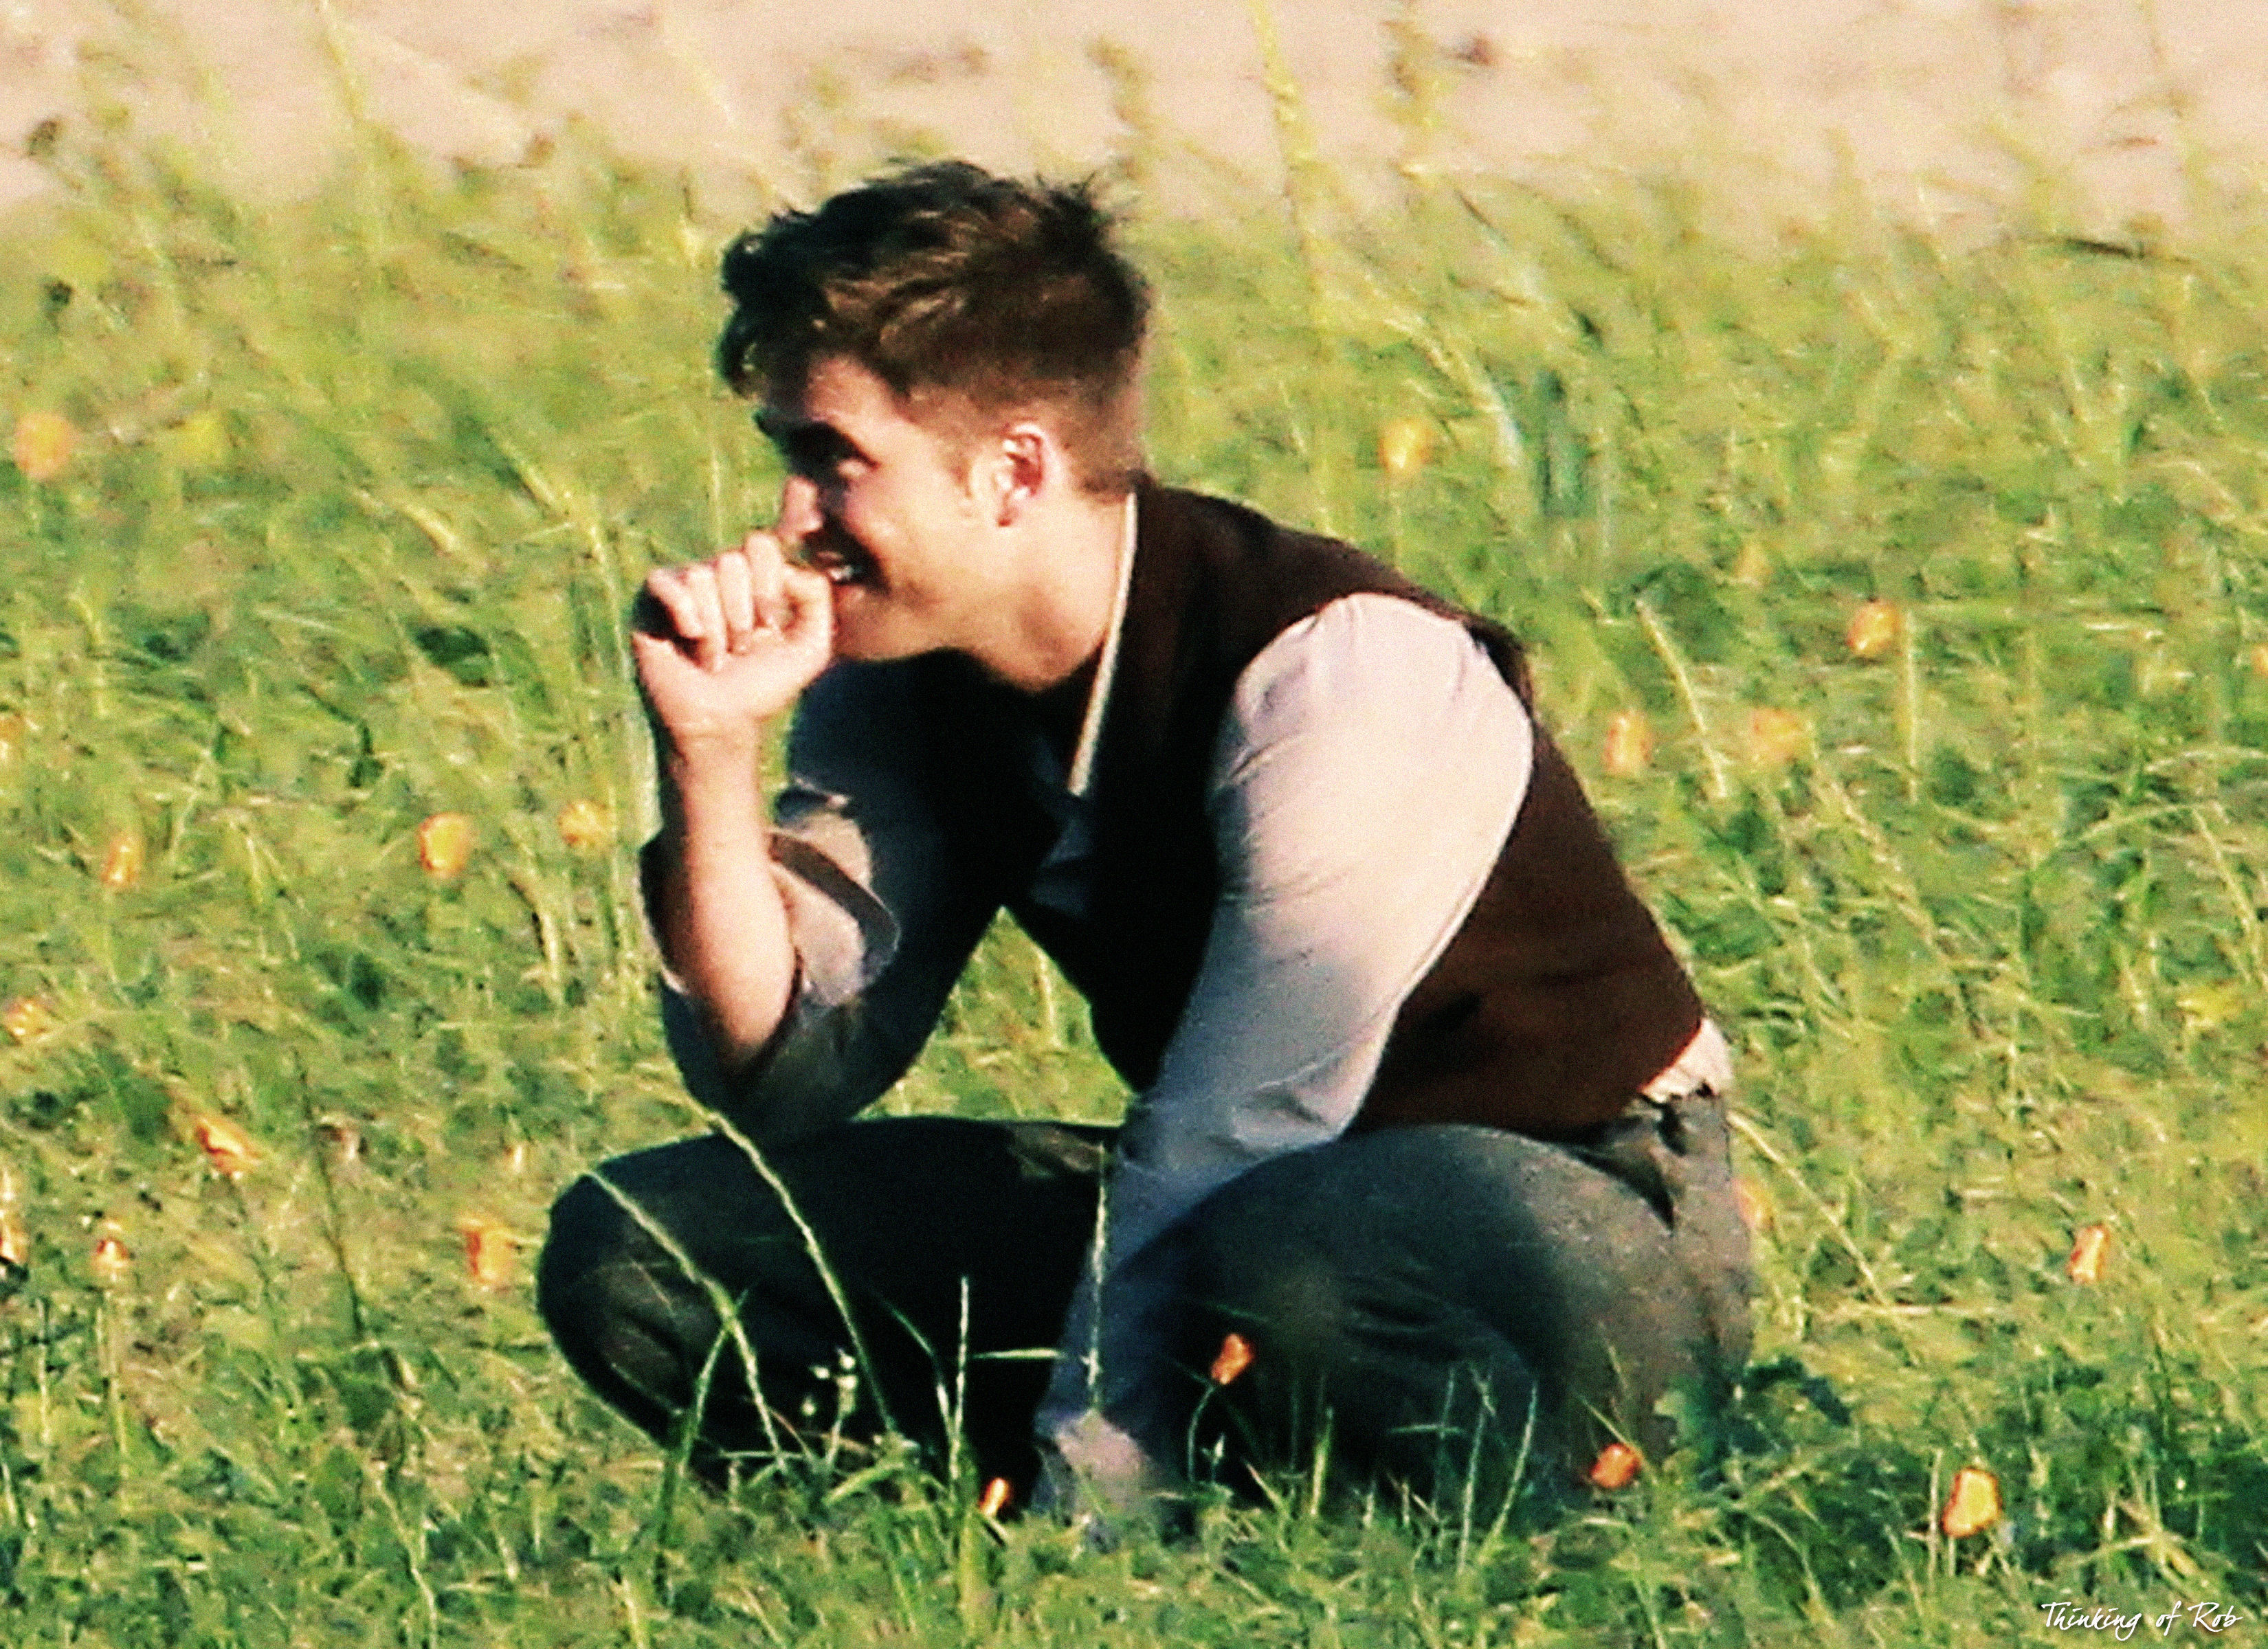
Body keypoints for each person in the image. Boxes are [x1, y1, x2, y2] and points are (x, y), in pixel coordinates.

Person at [537, 160, 1750, 1532]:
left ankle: (1515, 1565)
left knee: (1290, 1254)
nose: (790, 522)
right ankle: (940, 1553)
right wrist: (708, 756)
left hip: (1568, 1220)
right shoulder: (910, 678)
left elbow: (1244, 1128)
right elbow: (785, 1080)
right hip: (1258, 1215)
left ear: (1013, 472)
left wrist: (1093, 1514)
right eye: (788, 458)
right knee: (648, 1248)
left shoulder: (1334, 673)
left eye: (833, 459)